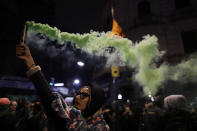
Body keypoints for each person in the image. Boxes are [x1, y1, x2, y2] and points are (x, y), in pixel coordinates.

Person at [16, 43, 110, 131]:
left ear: (95, 101)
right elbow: (49, 99)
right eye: (78, 93)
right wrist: (30, 63)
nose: (77, 97)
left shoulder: (101, 127)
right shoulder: (67, 117)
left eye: (84, 95)